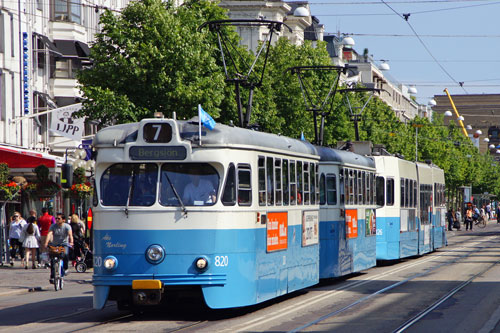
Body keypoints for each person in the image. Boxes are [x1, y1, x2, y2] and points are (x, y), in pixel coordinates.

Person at [44, 213, 73, 279]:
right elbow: (49, 234)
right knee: (53, 259)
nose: (57, 220)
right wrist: (46, 242)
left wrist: (71, 242)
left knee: (65, 254)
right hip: (55, 244)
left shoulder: (67, 226)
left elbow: (70, 235)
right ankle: (52, 276)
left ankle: (65, 268)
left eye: (58, 218)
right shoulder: (53, 226)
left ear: (63, 220)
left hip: (64, 244)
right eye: (56, 218)